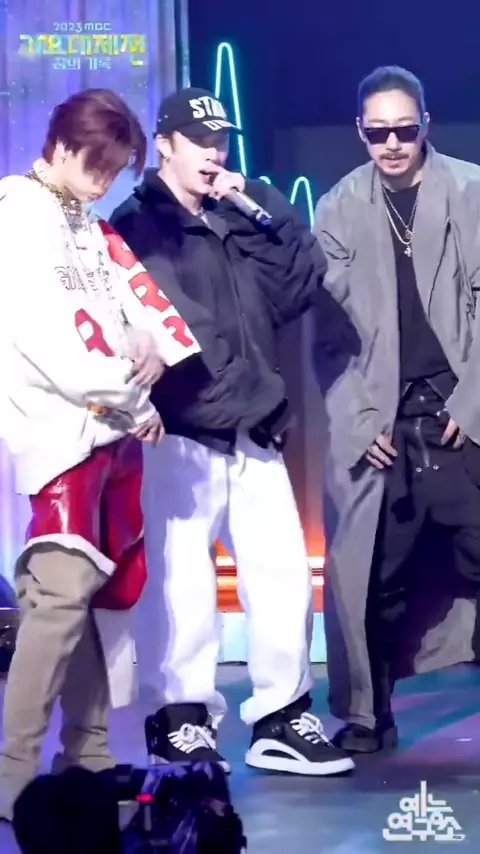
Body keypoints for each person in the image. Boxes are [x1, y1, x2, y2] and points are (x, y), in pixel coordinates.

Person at [109, 86, 354, 776]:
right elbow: (163, 323)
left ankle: (282, 716)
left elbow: (298, 286)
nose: (214, 154)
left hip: (254, 424)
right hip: (182, 430)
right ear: (165, 145)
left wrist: (261, 207)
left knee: (281, 578)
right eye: (200, 141)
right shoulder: (136, 226)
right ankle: (181, 721)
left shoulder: (232, 217)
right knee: (182, 588)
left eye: (220, 141)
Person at [0, 88, 200, 818]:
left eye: (115, 170)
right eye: (97, 166)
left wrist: (141, 344)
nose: (105, 182)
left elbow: (121, 310)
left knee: (92, 607)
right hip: (62, 431)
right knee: (57, 604)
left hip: (108, 431)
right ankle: (14, 774)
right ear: (59, 146)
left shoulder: (80, 218)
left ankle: (86, 760)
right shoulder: (17, 214)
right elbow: (45, 342)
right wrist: (131, 398)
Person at [313, 65, 480, 753]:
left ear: (425, 126)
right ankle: (366, 713)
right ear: (360, 131)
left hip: (459, 409)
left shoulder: (470, 191)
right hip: (381, 419)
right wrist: (358, 419)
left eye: (404, 130)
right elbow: (327, 335)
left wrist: (474, 398)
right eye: (378, 132)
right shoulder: (339, 208)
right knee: (371, 576)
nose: (391, 144)